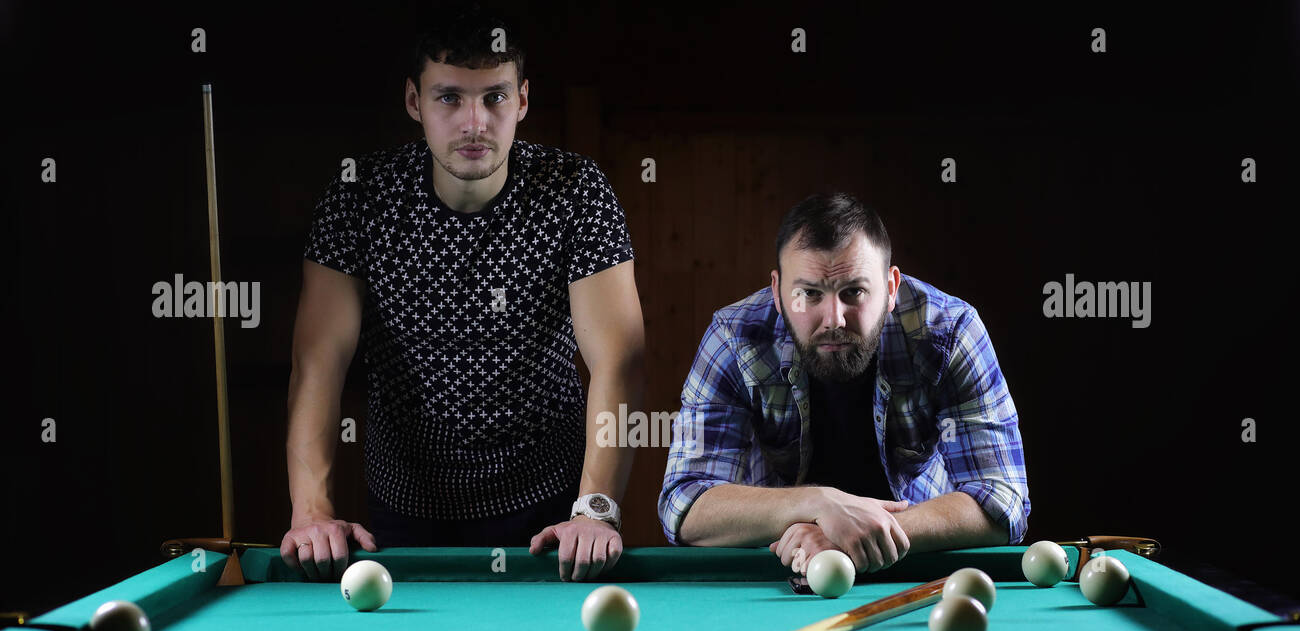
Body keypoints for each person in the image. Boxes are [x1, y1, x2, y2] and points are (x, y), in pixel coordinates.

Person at [281, 7, 645, 582]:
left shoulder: (576, 192)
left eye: (495, 98)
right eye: (449, 98)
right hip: (405, 509)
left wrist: (597, 510)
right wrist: (312, 511)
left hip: (550, 512)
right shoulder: (359, 198)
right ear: (413, 102)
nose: (475, 122)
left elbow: (619, 362)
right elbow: (317, 364)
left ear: (522, 101)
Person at [659, 192, 1029, 573]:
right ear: (777, 291)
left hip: (912, 566)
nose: (833, 318)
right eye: (809, 294)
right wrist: (818, 505)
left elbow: (1003, 499)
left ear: (890, 288)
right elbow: (684, 503)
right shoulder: (734, 336)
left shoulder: (949, 331)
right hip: (780, 569)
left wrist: (852, 533)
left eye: (854, 291)